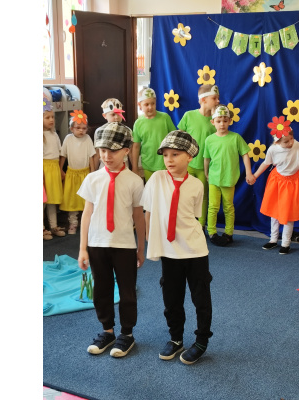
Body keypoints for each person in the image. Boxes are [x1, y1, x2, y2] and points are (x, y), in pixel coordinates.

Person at [141, 130, 213, 365]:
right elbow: (148, 210)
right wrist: (150, 241)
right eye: (165, 155)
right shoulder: (156, 179)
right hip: (169, 251)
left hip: (194, 250)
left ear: (189, 157)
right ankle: (176, 338)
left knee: (200, 297)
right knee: (171, 298)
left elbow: (194, 216)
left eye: (175, 154)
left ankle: (201, 340)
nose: (169, 159)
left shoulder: (197, 185)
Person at [76, 122, 146, 358]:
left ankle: (127, 333)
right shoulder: (92, 179)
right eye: (102, 150)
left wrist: (141, 248)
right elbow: (87, 213)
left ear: (126, 150)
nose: (106, 156)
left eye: (112, 151)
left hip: (124, 245)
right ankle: (107, 330)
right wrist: (83, 248)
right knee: (101, 290)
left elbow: (139, 216)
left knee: (127, 291)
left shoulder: (134, 181)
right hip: (97, 244)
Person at [251, 128, 299, 254]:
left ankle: (286, 243)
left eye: (291, 139)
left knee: (288, 214)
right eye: (286, 142)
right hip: (277, 182)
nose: (290, 143)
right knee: (275, 212)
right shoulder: (273, 149)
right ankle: (273, 239)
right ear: (277, 142)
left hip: (293, 183)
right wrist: (254, 176)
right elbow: (266, 163)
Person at [203, 104, 255, 246]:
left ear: (230, 121)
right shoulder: (209, 140)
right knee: (213, 207)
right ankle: (212, 232)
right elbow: (206, 158)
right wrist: (206, 173)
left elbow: (245, 154)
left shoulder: (236, 138)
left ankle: (229, 233)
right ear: (212, 122)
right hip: (214, 179)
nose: (222, 124)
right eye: (219, 121)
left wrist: (249, 172)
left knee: (228, 207)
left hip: (229, 179)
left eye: (225, 121)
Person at [177, 84, 220, 232]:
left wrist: (215, 118)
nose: (218, 101)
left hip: (205, 167)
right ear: (203, 100)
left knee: (203, 196)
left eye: (218, 98)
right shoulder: (189, 116)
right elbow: (179, 137)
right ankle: (184, 222)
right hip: (188, 165)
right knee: (184, 194)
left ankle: (201, 225)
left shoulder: (216, 121)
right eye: (214, 98)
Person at [59, 110, 99, 234]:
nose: (81, 130)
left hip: (85, 174)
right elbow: (63, 155)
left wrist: (92, 172)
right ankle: (73, 222)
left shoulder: (87, 139)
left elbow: (91, 156)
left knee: (86, 199)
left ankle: (86, 222)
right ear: (71, 128)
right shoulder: (68, 139)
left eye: (84, 128)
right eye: (78, 128)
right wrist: (60, 169)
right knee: (72, 199)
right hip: (71, 174)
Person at [131, 87, 177, 182]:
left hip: (166, 164)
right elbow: (136, 146)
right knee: (151, 189)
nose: (150, 107)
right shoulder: (138, 123)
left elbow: (174, 138)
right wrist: (134, 167)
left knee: (166, 188)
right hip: (148, 165)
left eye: (153, 103)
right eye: (146, 104)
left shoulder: (165, 118)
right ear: (139, 105)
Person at [43, 96, 66, 238]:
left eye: (52, 117)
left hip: (54, 169)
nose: (51, 120)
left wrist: (60, 169)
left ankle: (53, 226)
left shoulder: (54, 135)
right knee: (43, 200)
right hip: (44, 170)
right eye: (47, 117)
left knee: (52, 200)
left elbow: (59, 153)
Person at [97, 98, 130, 170]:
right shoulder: (99, 131)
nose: (117, 117)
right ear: (104, 116)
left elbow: (130, 149)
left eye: (119, 114)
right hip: (105, 164)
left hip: (122, 163)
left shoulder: (127, 131)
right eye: (113, 114)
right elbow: (98, 151)